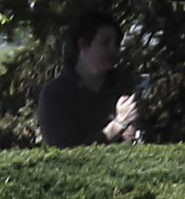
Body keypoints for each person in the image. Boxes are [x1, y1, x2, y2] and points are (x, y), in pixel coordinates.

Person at [34, 13, 140, 148]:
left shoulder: (123, 83)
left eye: (116, 43)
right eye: (105, 42)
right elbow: (67, 153)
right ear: (83, 45)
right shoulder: (55, 94)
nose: (113, 50)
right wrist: (118, 124)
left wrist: (133, 131)